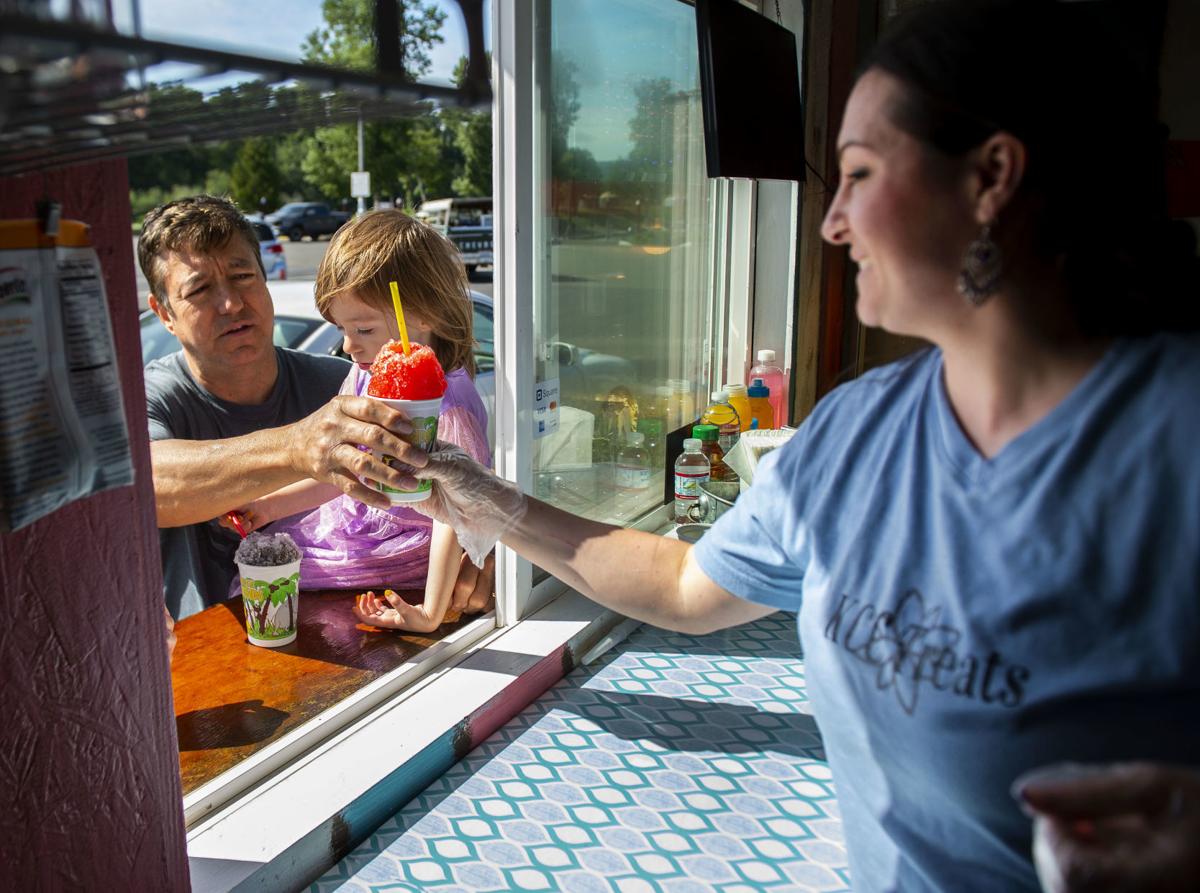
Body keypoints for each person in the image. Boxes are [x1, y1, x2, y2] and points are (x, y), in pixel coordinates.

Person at [388, 2, 1200, 890]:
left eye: (858, 173)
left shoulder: (1173, 451)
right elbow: (684, 585)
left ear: (991, 178)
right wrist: (491, 501)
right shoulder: (857, 434)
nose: (832, 222)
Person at [139, 195, 493, 622]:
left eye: (243, 276)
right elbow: (143, 485)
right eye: (199, 289)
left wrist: (489, 553)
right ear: (163, 313)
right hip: (212, 638)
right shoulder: (151, 397)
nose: (231, 303)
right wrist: (292, 461)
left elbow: (464, 496)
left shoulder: (350, 380)